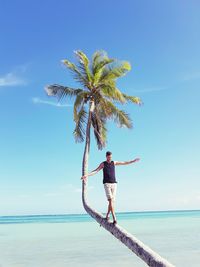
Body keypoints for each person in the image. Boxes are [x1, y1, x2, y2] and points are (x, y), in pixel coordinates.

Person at [81, 151, 140, 225]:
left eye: (111, 157)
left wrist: (133, 161)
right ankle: (114, 218)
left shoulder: (114, 162)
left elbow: (124, 163)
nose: (110, 158)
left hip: (114, 184)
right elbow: (96, 171)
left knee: (112, 202)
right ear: (106, 157)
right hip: (107, 184)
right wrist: (86, 175)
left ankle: (107, 215)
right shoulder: (103, 164)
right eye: (108, 157)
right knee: (111, 200)